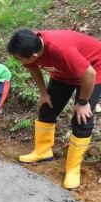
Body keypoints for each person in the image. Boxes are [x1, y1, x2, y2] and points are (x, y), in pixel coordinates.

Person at [7, 28, 101, 190]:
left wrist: (83, 102)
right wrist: (43, 93)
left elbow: (89, 74)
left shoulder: (61, 49)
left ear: (35, 56)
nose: (19, 62)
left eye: (20, 59)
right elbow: (33, 67)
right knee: (47, 108)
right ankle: (43, 152)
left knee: (82, 118)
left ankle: (72, 169)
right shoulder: (30, 45)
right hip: (63, 72)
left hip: (93, 68)